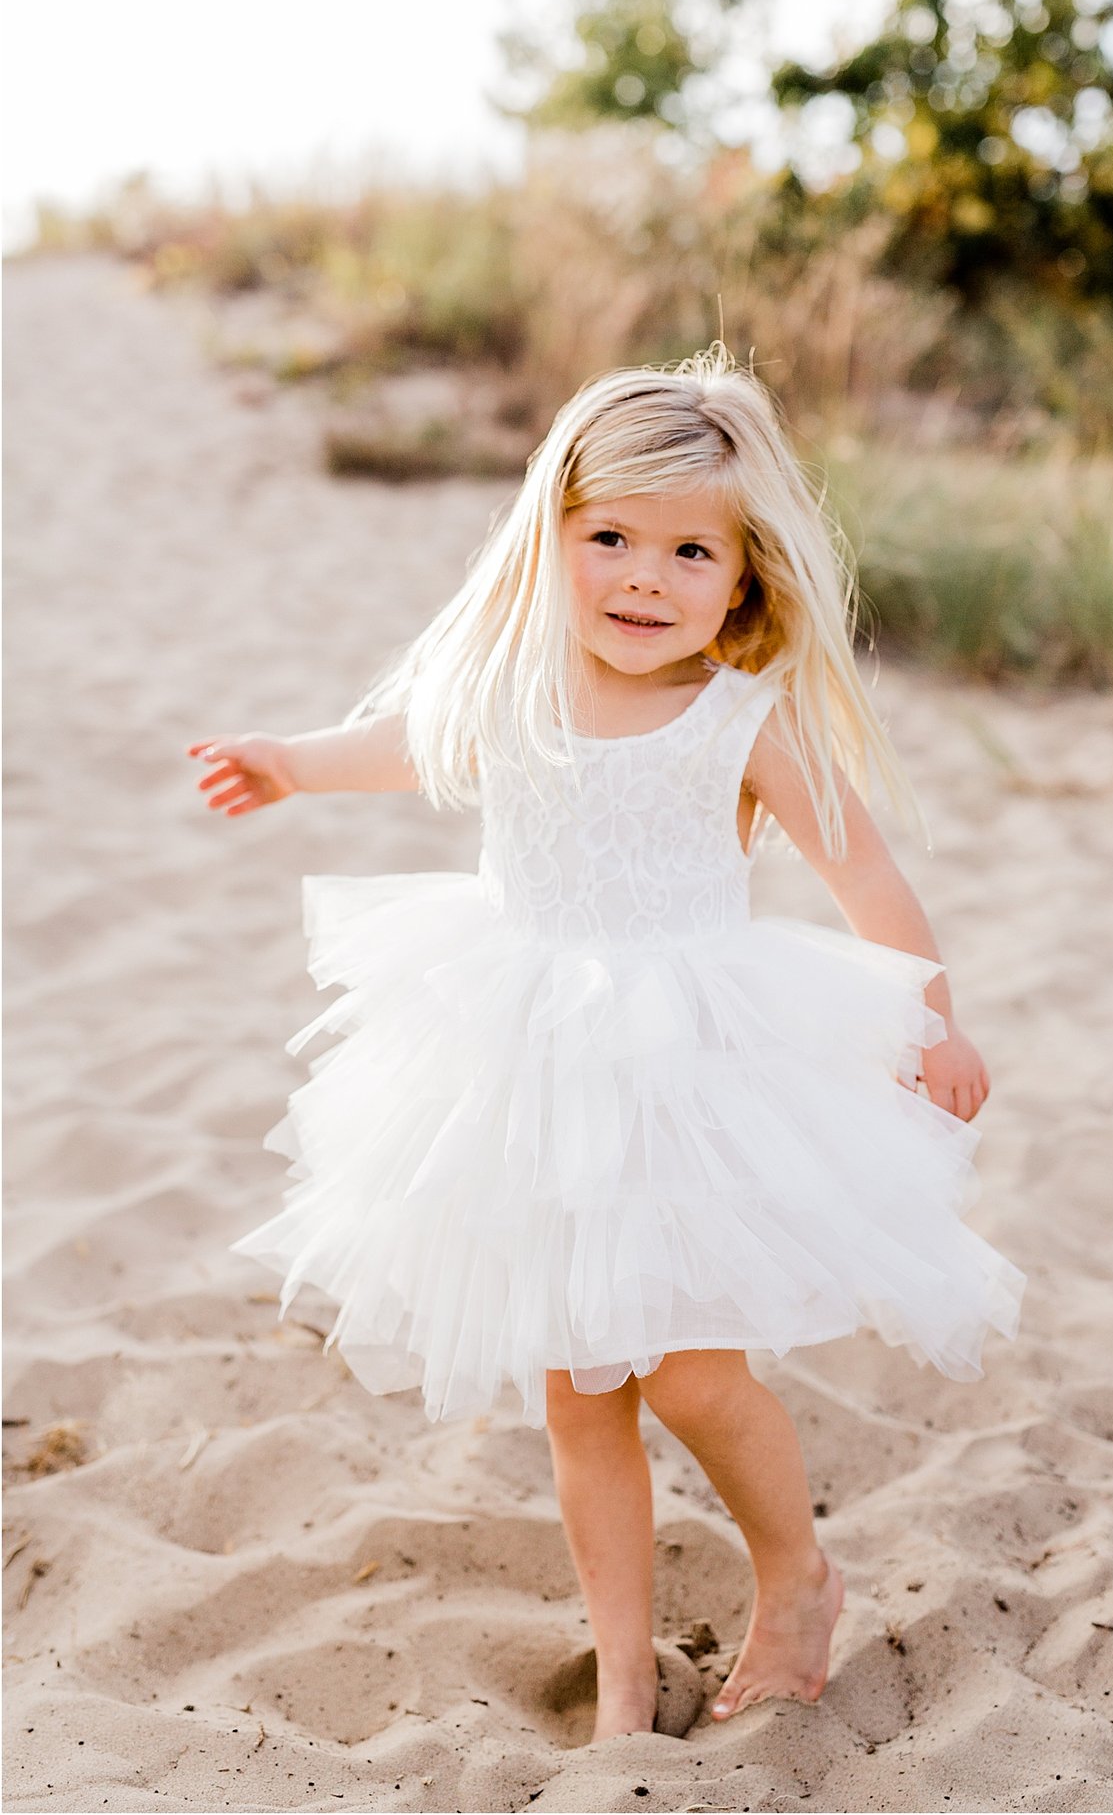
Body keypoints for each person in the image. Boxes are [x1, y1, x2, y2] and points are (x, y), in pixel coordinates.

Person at [188, 345, 1025, 1739]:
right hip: (530, 1072)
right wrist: (286, 757)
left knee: (692, 1368)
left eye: (691, 549)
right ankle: (625, 1666)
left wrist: (933, 1017)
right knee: (581, 1394)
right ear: (553, 536)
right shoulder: (511, 686)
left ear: (747, 576)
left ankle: (796, 1572)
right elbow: (409, 742)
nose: (645, 575)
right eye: (611, 537)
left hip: (695, 1072)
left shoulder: (743, 720)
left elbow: (866, 876)